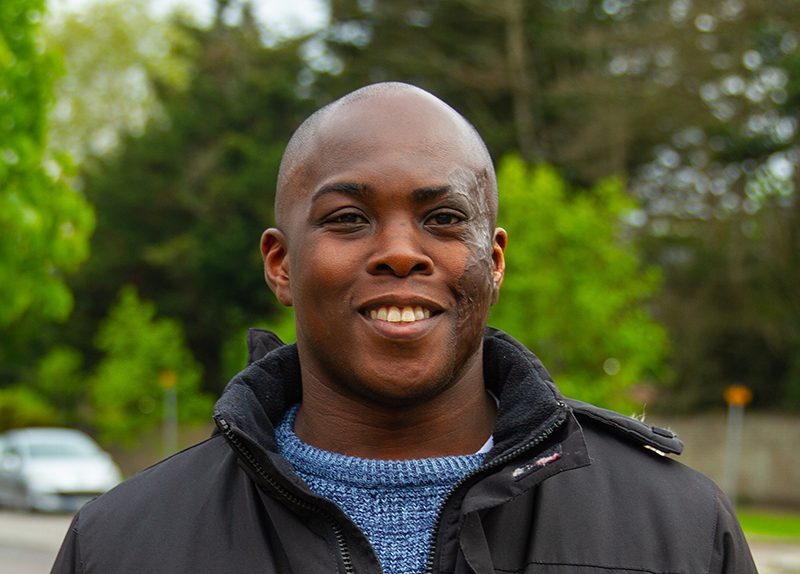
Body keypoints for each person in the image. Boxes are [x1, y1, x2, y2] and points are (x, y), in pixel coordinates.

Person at [52, 82, 756, 574]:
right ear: (280, 263)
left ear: (495, 259)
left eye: (444, 218)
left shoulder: (680, 529)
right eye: (348, 219)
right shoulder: (120, 544)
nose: (399, 250)